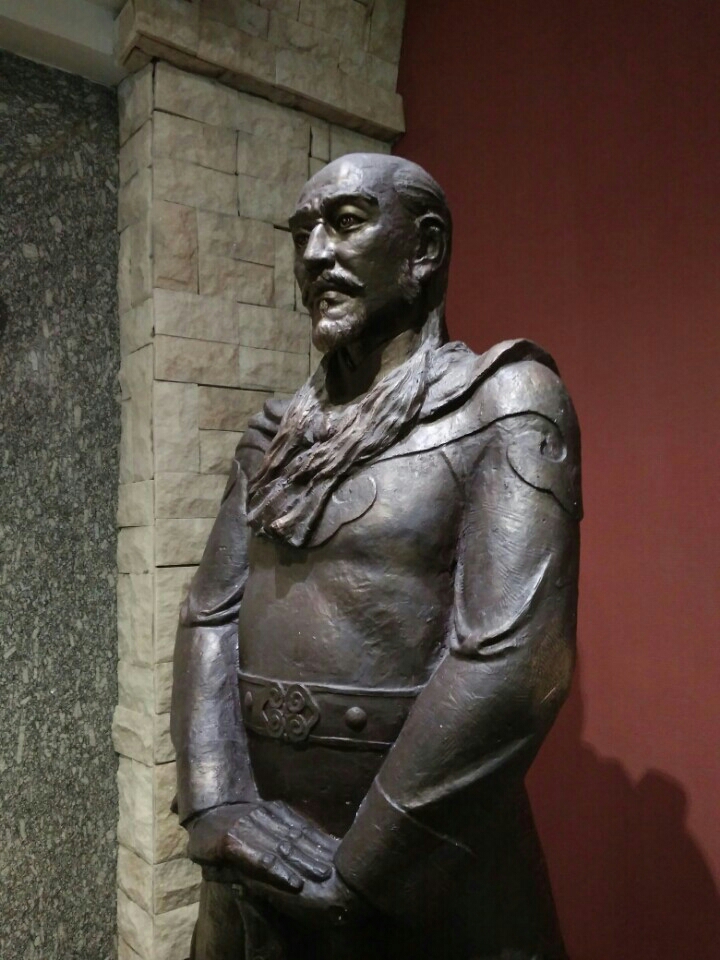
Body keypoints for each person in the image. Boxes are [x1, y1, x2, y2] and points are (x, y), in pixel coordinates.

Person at [170, 153, 582, 960]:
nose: (315, 253)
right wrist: (216, 802)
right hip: (257, 860)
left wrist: (354, 879)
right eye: (302, 234)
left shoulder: (504, 402)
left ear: (424, 248)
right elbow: (209, 614)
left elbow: (514, 662)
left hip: (420, 873)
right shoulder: (275, 435)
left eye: (347, 223)